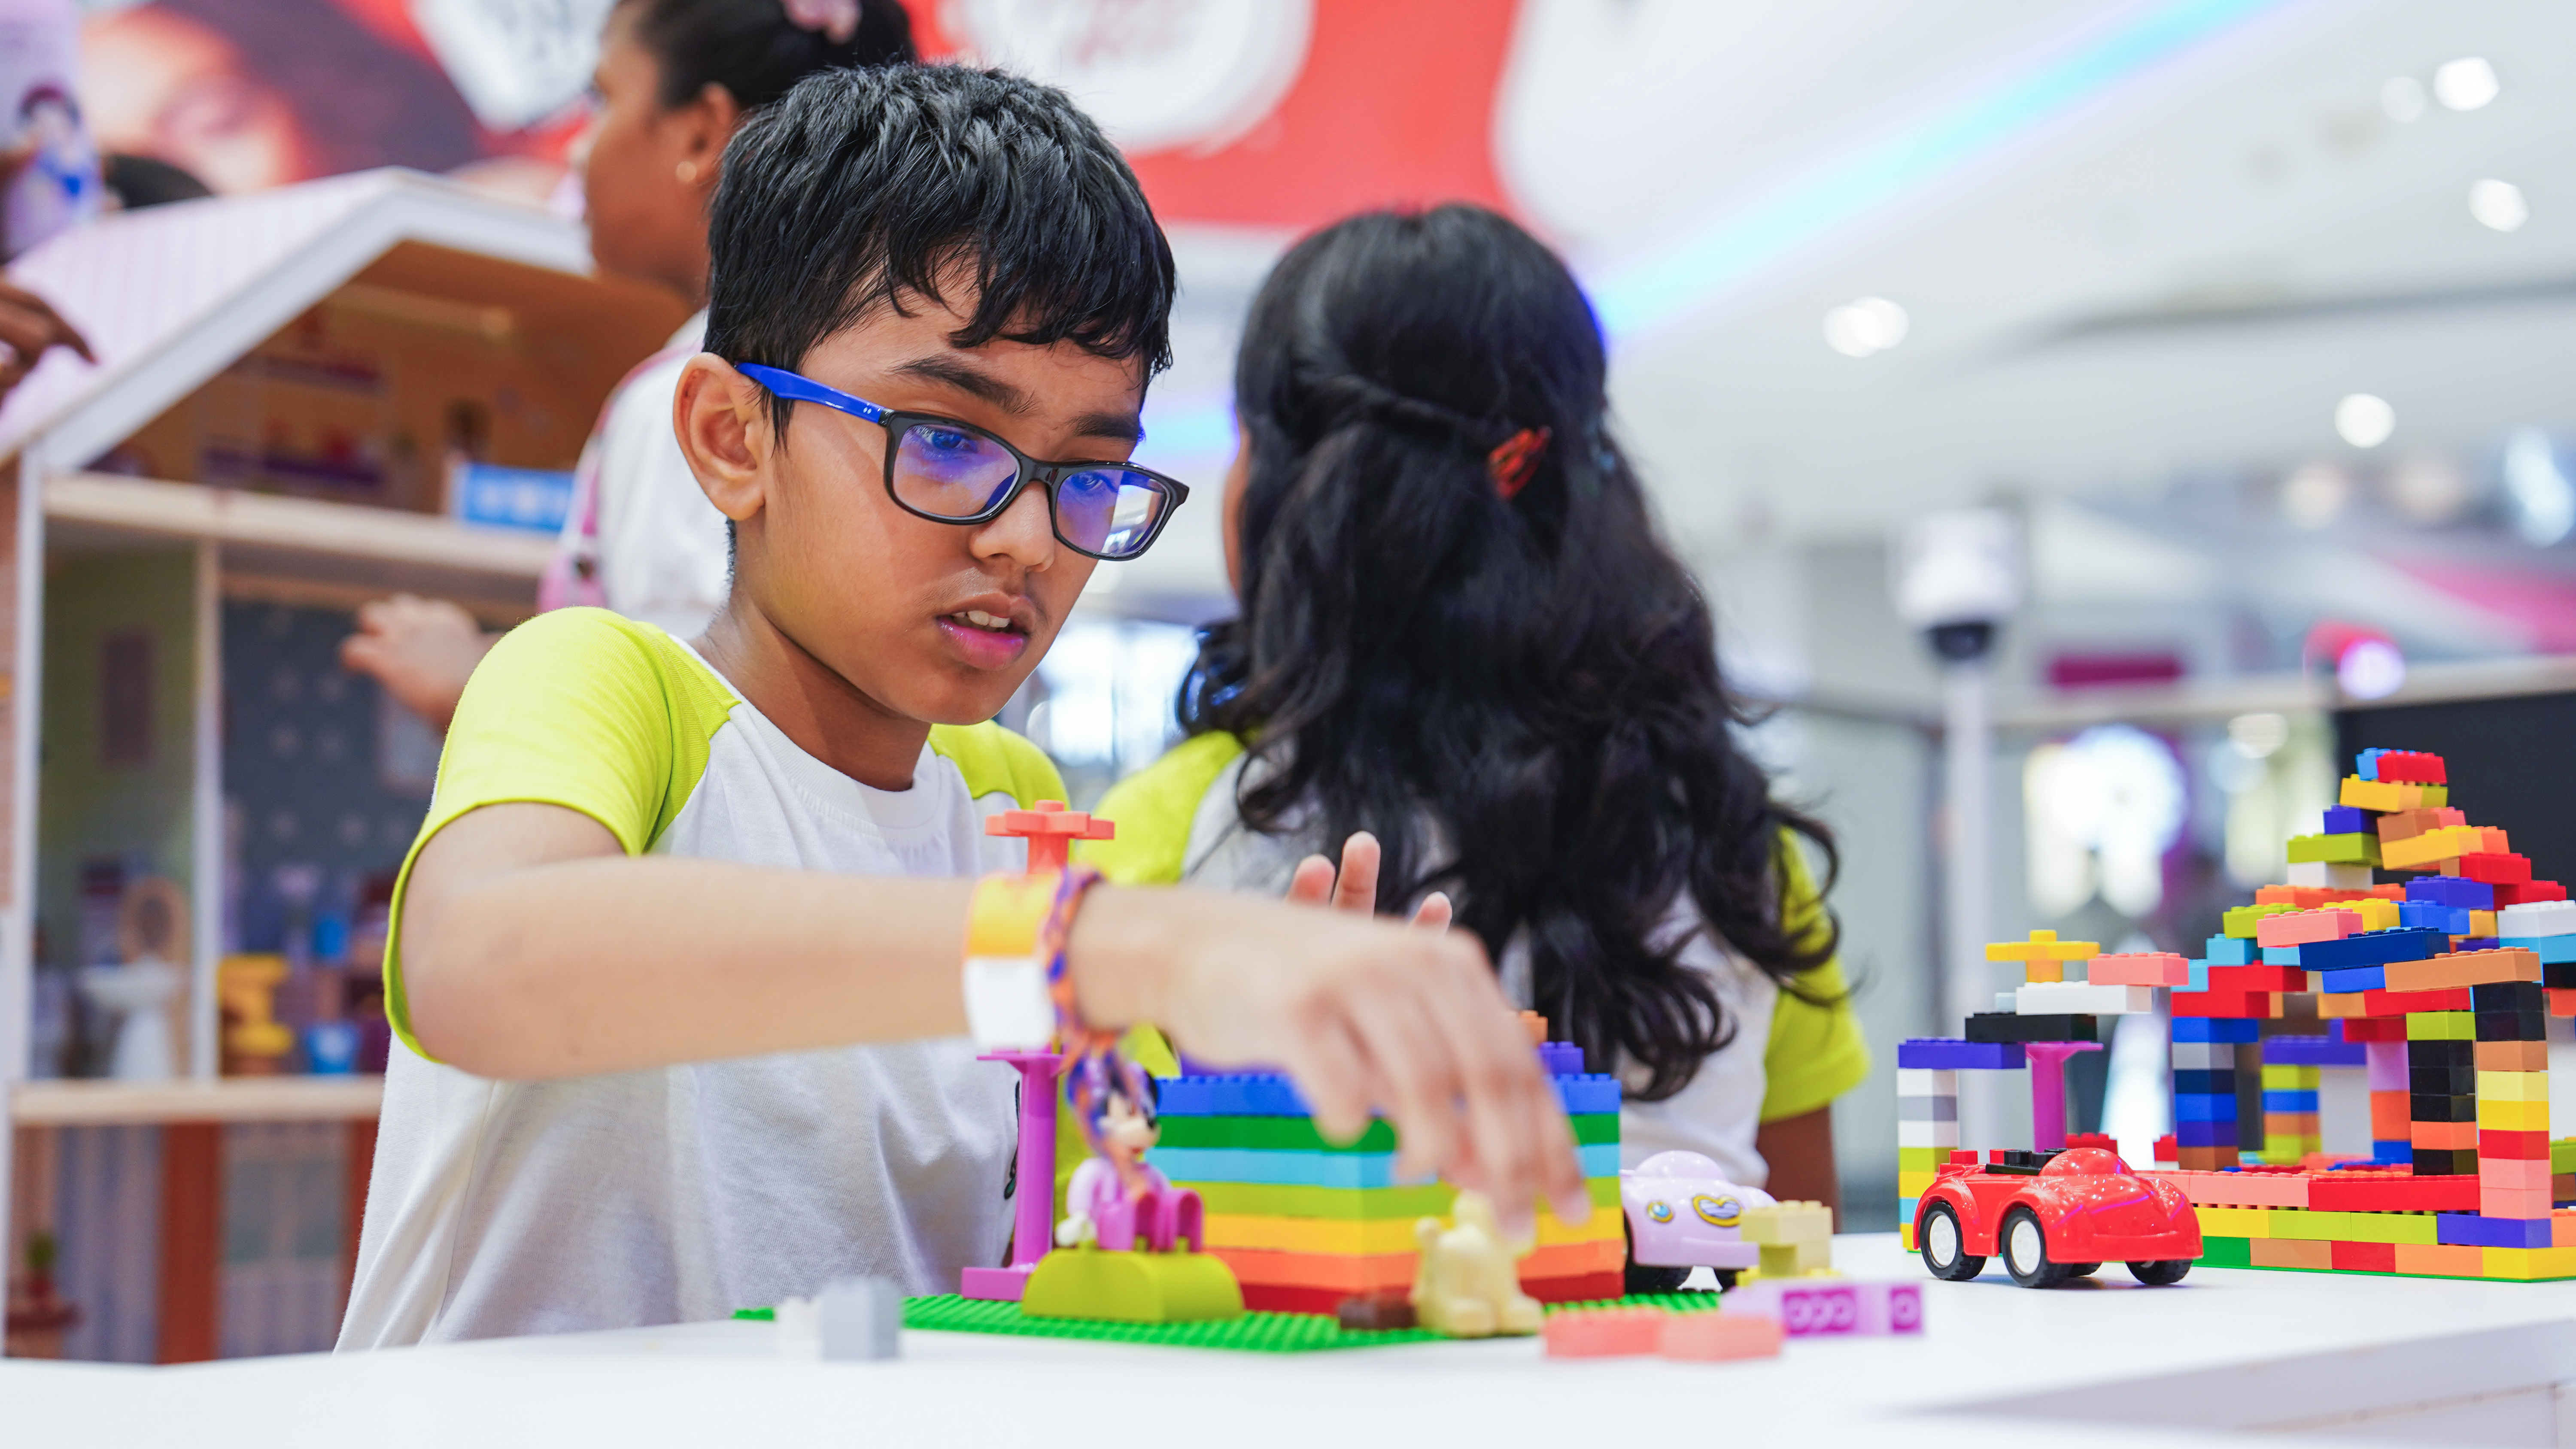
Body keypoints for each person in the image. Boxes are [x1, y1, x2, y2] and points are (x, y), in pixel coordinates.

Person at [336, 67, 1585, 1349]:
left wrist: (1253, 1112)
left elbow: (1059, 1260)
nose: (1027, 541)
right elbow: (479, 964)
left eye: (1087, 475)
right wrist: (1119, 945)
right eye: (943, 439)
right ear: (732, 437)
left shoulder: (1009, 800)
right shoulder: (608, 684)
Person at [1080, 204, 1866, 1213]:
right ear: (1585, 480)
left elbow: (1103, 1230)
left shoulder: (1157, 844)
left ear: (1276, 492)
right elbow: (1800, 1242)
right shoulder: (1731, 840)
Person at [341, 0, 916, 731]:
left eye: (602, 99)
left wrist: (475, 688)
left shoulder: (692, 393)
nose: (577, 152)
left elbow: (692, 713)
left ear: (702, 132)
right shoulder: (891, 360)